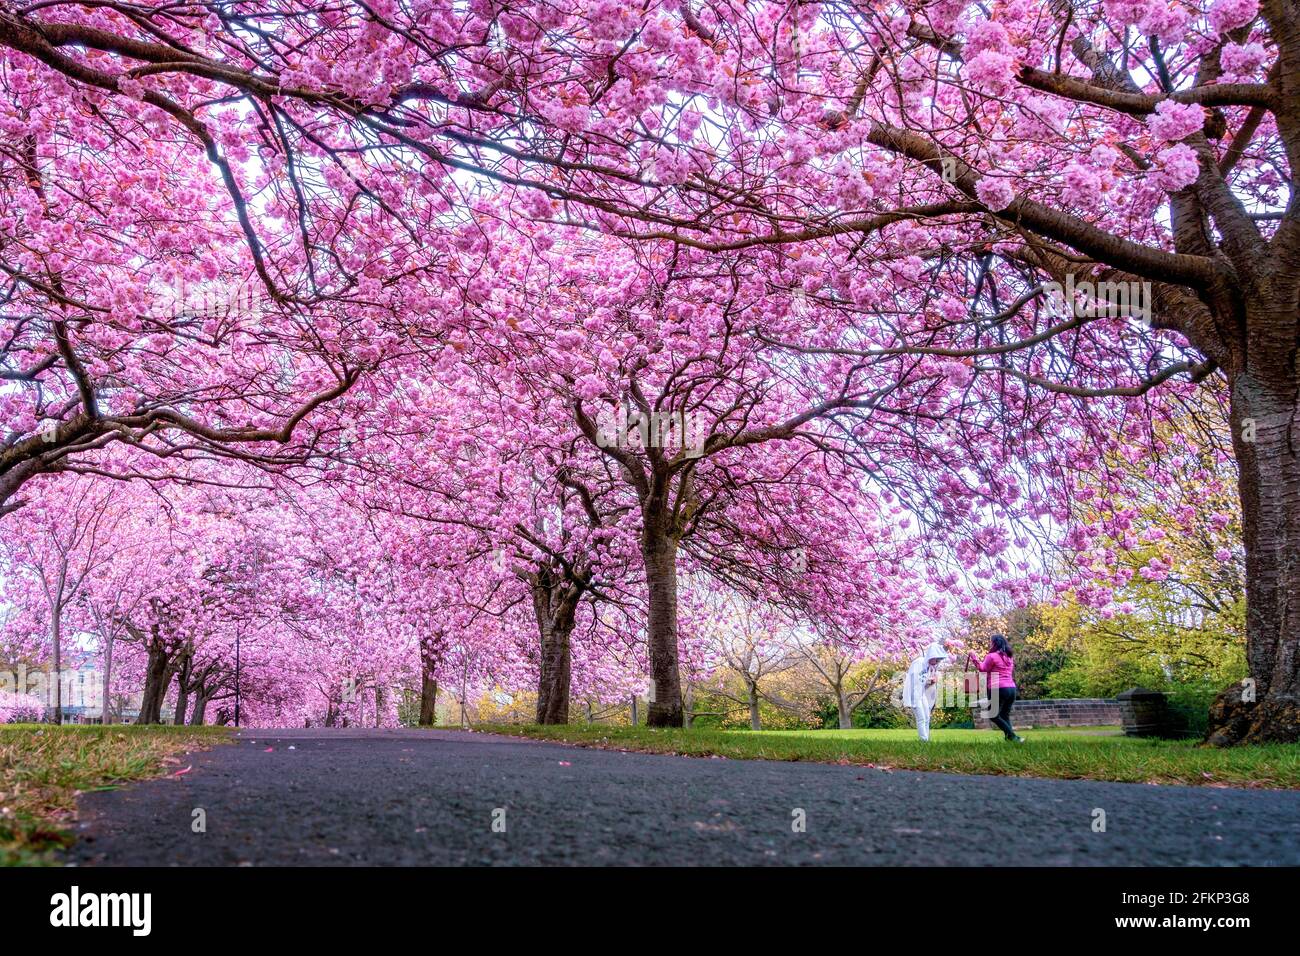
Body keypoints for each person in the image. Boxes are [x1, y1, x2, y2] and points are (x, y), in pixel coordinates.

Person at [971, 634, 1023, 743]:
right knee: (1004, 714)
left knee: (993, 715)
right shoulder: (1009, 657)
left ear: (994, 643)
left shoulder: (992, 656)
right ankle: (1010, 739)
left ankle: (1013, 736)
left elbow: (983, 669)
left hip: (997, 688)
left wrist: (974, 658)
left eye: (991, 642)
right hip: (1011, 688)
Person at [902, 642, 949, 742]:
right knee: (921, 718)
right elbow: (914, 681)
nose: (937, 662)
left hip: (921, 693)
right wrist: (914, 699)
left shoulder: (928, 667)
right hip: (914, 694)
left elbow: (922, 682)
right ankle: (923, 741)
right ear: (931, 656)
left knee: (927, 717)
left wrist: (930, 682)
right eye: (936, 659)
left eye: (939, 660)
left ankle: (926, 740)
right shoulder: (919, 663)